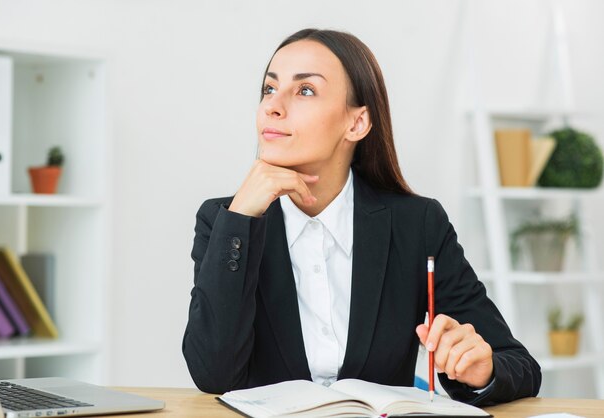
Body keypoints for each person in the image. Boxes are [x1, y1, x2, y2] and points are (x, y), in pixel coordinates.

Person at [182, 28, 541, 406]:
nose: (273, 106)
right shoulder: (223, 221)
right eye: (269, 89)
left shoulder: (416, 224)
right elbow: (213, 374)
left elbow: (519, 365)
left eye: (305, 90)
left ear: (357, 123)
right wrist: (241, 218)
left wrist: (480, 370)